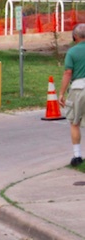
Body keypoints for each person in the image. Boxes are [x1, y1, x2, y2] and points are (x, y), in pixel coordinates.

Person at [59, 23, 85, 167]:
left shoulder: (72, 52)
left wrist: (61, 93)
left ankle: (77, 155)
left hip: (78, 88)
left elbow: (68, 72)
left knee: (74, 122)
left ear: (74, 36)